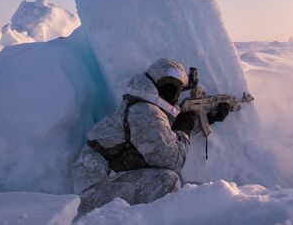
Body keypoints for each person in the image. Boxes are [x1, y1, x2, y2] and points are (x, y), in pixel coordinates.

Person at [72, 58, 229, 213]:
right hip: (93, 191)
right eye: (175, 89)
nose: (176, 96)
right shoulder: (146, 113)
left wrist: (206, 119)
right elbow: (173, 159)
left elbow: (164, 135)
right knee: (166, 180)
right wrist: (184, 126)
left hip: (100, 179)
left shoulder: (142, 106)